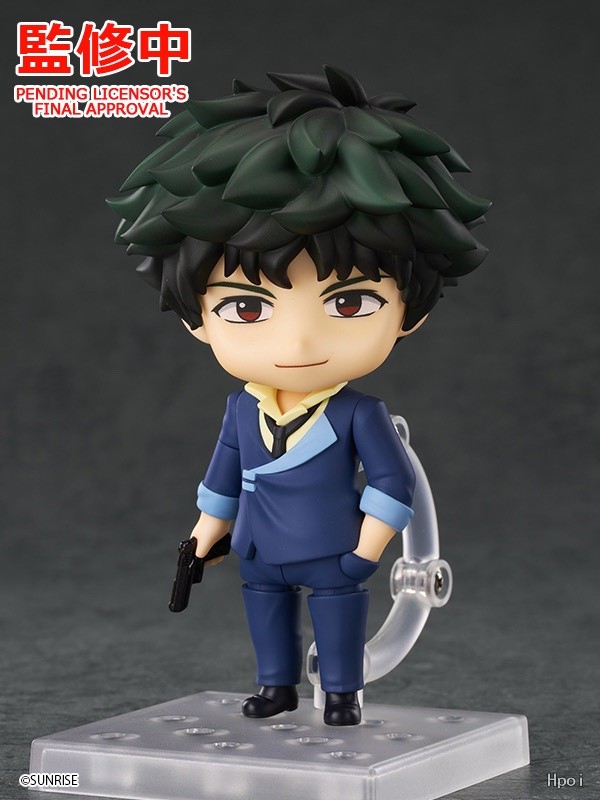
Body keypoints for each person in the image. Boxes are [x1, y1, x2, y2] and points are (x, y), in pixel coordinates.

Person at [109, 65, 490, 726]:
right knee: (266, 615)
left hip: (335, 548)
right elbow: (222, 480)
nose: (299, 341)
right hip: (258, 548)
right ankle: (275, 686)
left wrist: (366, 551)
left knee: (338, 619)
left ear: (410, 309)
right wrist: (202, 539)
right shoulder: (241, 408)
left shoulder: (359, 413)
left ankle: (341, 692)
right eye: (247, 307)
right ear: (197, 317)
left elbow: (393, 484)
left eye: (350, 303)